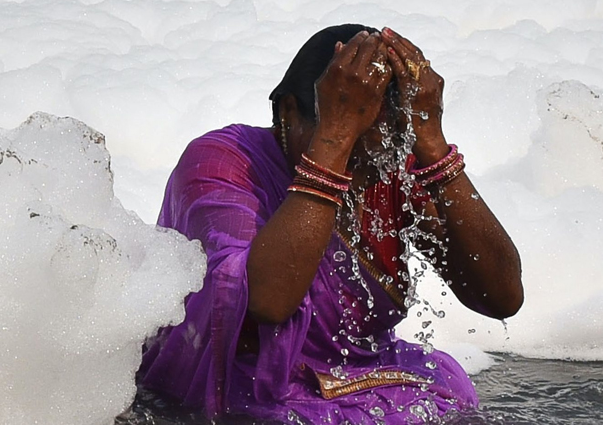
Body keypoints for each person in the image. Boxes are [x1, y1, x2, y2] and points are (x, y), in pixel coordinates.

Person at [137, 24, 523, 424]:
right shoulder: (221, 161)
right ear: (288, 112)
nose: (365, 169)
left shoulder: (382, 165)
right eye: (350, 142)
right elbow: (267, 302)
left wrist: (434, 149)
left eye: (381, 146)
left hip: (365, 384)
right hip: (245, 391)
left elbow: (502, 298)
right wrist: (335, 141)